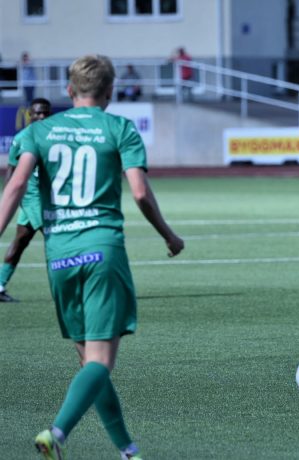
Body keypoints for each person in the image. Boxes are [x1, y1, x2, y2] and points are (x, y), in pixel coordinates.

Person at [0, 54, 185, 459]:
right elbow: (138, 192)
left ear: (70, 91)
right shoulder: (118, 127)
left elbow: (14, 188)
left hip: (59, 254)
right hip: (102, 250)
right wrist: (169, 236)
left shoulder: (40, 131)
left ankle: (128, 450)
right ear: (110, 92)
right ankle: (57, 432)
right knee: (101, 362)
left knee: (91, 363)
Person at [0, 98, 51, 302]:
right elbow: (11, 171)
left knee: (21, 240)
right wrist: (9, 200)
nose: (41, 116)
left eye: (45, 113)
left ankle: (0, 285)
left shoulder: (53, 137)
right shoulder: (22, 138)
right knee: (56, 238)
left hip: (44, 197)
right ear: (30, 114)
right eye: (37, 113)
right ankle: (73, 287)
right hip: (31, 198)